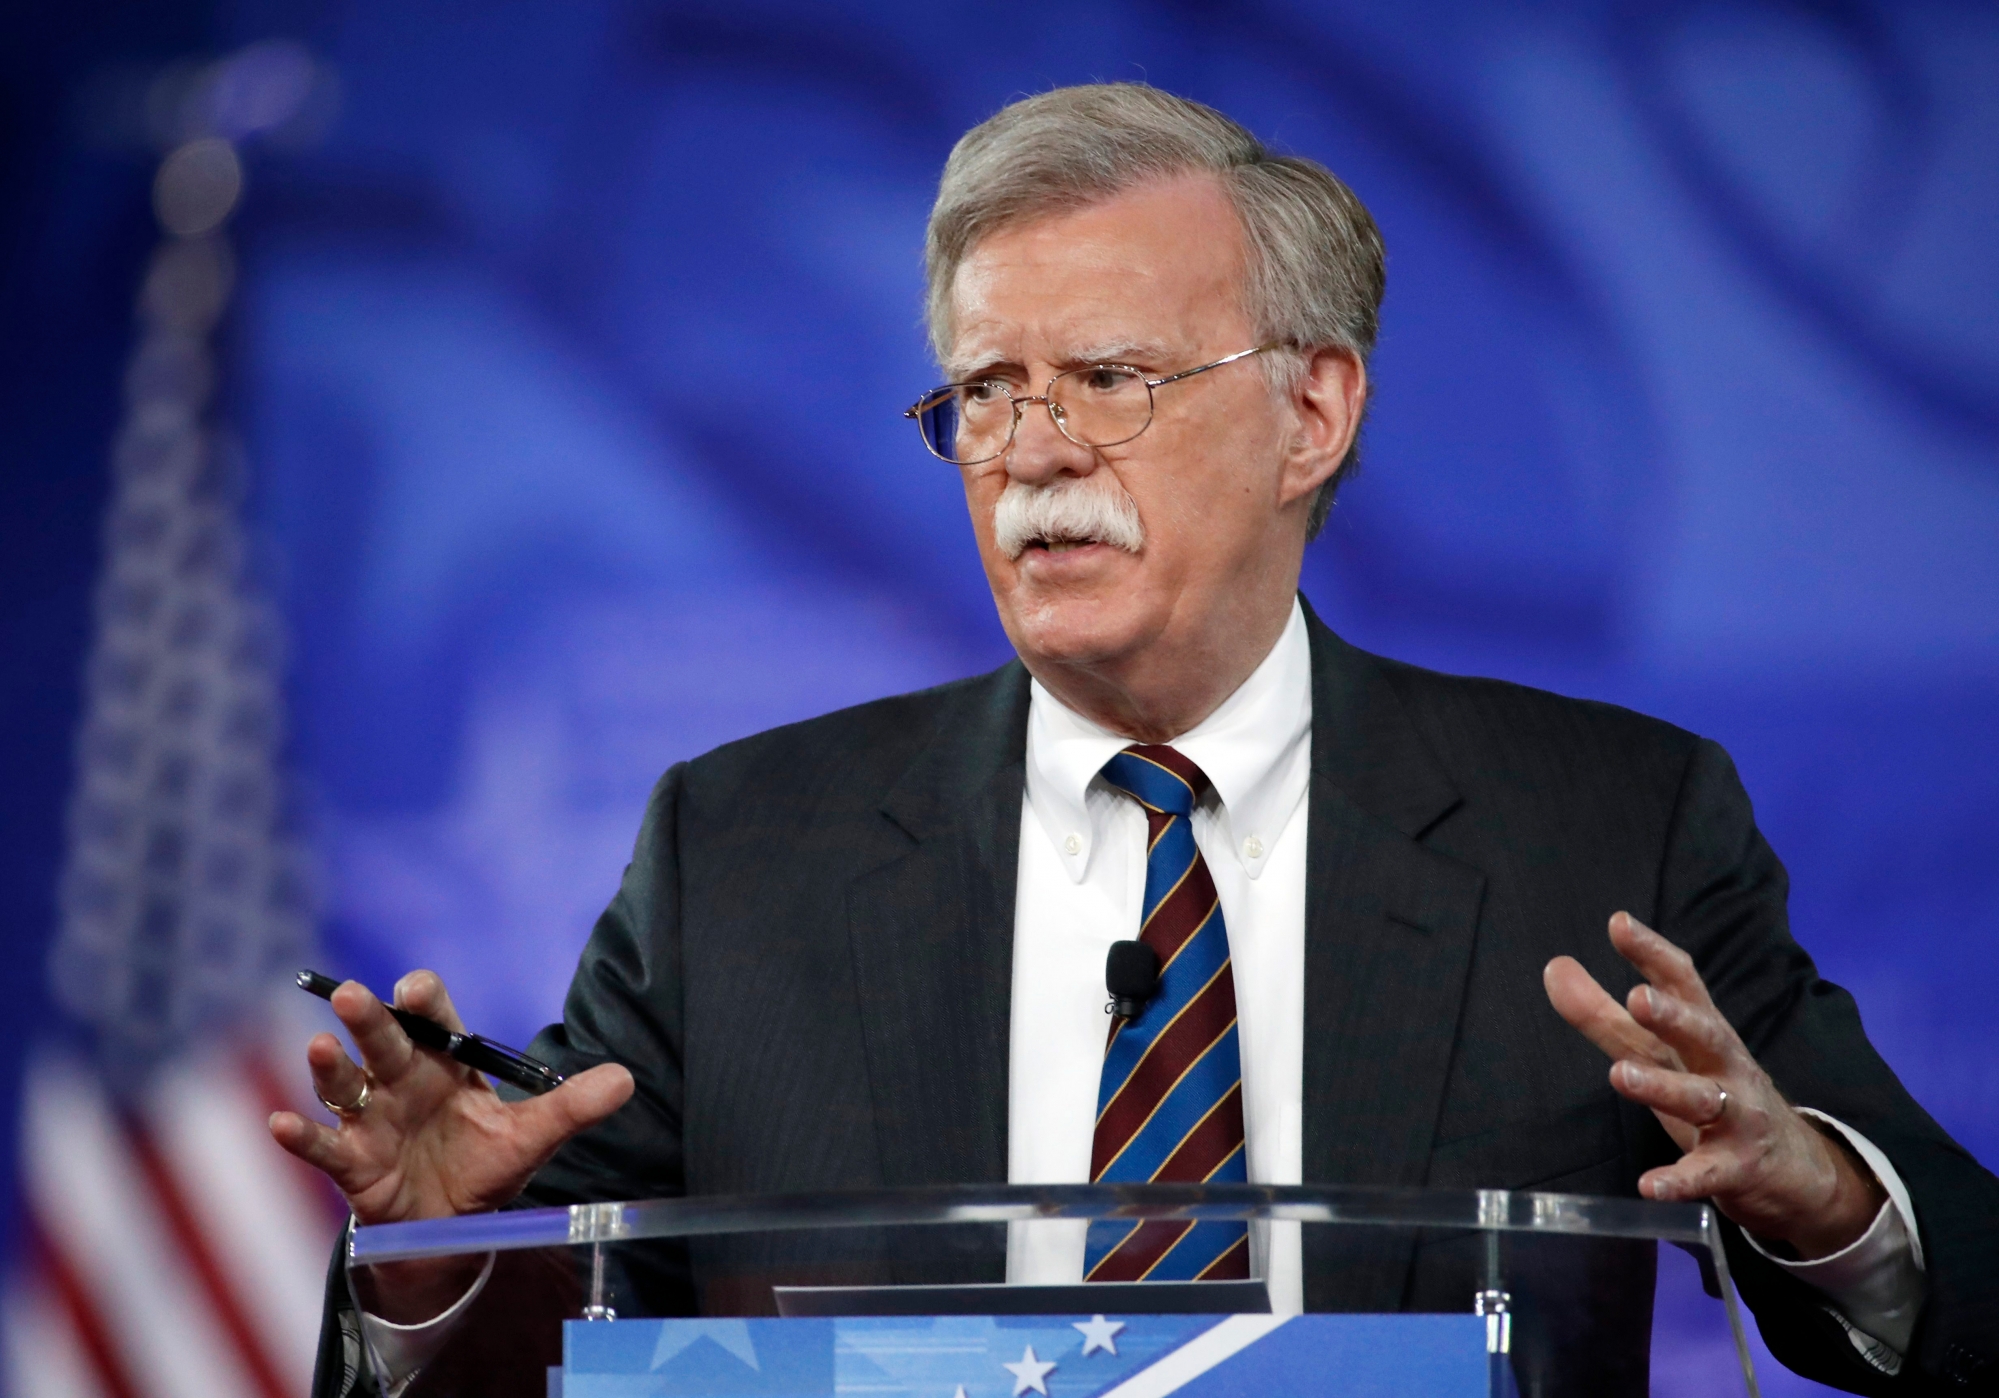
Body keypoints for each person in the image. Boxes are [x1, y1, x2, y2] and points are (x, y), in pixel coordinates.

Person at [271, 85, 1998, 1395]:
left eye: (1106, 377)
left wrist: (1820, 1198)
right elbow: (560, 1352)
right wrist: (440, 1253)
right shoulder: (738, 850)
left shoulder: (1607, 822)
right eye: (985, 394)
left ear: (1310, 411)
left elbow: (1963, 1288)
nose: (1029, 452)